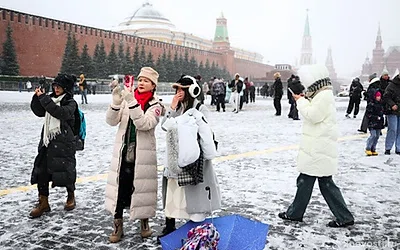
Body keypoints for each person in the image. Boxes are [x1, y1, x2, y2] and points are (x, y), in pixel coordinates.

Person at [278, 64, 354, 228]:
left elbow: (313, 115)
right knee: (317, 182)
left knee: (313, 181)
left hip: (318, 147)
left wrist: (300, 101)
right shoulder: (322, 93)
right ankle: (297, 213)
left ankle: (297, 214)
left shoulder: (323, 96)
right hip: (319, 146)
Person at [105, 67, 164, 243]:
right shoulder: (126, 100)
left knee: (142, 188)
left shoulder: (156, 105)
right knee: (120, 189)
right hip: (123, 152)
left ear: (153, 85)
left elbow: (144, 124)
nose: (142, 83)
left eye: (146, 81)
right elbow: (111, 121)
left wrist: (131, 102)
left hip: (143, 155)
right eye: (140, 79)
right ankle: (118, 224)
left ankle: (144, 221)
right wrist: (116, 103)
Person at [158, 75, 221, 239]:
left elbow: (207, 132)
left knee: (194, 194)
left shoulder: (200, 108)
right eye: (177, 89)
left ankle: (195, 227)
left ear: (190, 91)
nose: (178, 92)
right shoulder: (176, 107)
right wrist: (172, 107)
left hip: (194, 157)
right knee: (172, 191)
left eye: (181, 89)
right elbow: (165, 127)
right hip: (175, 156)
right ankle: (169, 226)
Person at [29, 73, 78, 218]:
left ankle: (71, 195)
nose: (56, 89)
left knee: (66, 171)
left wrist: (44, 99)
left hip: (64, 142)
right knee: (41, 170)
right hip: (48, 141)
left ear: (66, 88)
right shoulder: (50, 99)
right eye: (55, 86)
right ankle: (43, 202)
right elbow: (39, 112)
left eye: (59, 86)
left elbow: (60, 113)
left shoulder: (71, 103)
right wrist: (37, 97)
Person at [383, 71, 400, 155]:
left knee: (399, 130)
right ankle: (388, 147)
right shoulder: (392, 85)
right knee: (392, 129)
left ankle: (398, 148)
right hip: (392, 110)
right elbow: (386, 96)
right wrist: (392, 104)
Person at [365, 91, 384, 156]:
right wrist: (375, 117)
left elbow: (382, 113)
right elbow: (368, 114)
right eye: (377, 96)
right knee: (373, 135)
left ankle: (373, 148)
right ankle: (368, 148)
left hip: (379, 123)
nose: (378, 98)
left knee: (377, 136)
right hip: (372, 123)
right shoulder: (371, 104)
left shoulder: (381, 104)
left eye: (379, 96)